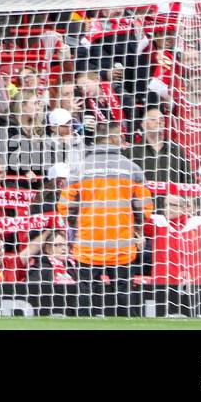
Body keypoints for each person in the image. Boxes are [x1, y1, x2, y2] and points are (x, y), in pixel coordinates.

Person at [59, 120, 151, 315]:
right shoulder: (131, 168)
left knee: (85, 297)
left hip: (88, 244)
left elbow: (65, 206)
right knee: (125, 297)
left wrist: (76, 226)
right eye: (120, 134)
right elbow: (144, 208)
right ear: (113, 136)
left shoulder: (79, 168)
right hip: (121, 245)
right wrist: (137, 228)